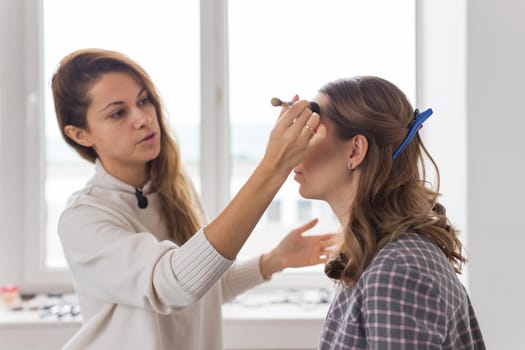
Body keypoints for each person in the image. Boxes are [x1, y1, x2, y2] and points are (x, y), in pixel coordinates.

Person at [51, 48, 334, 350]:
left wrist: (275, 260)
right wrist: (272, 167)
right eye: (118, 113)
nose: (144, 118)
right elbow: (174, 285)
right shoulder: (83, 218)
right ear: (80, 135)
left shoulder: (174, 190)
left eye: (144, 100)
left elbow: (205, 286)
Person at [291, 76, 485, 349]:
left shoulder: (396, 272)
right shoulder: (373, 256)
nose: (294, 148)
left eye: (312, 133)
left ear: (355, 150)